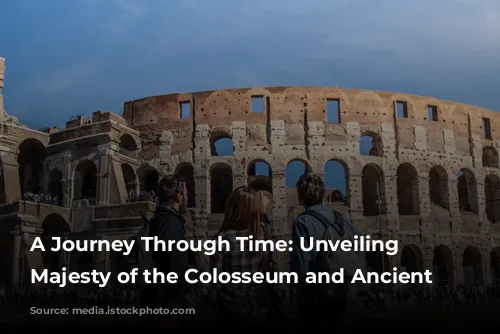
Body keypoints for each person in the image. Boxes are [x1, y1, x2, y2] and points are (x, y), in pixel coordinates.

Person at [290, 173, 349, 330]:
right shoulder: (341, 219)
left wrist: (299, 297)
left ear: (300, 198)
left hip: (315, 296)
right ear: (324, 195)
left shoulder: (302, 222)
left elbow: (302, 268)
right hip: (341, 293)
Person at [209, 186, 270, 328]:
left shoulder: (222, 238)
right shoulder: (261, 234)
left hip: (230, 309)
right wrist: (262, 208)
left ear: (232, 208)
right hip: (255, 305)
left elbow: (216, 280)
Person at [142, 174, 196, 329]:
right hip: (169, 304)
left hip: (160, 300)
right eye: (185, 194)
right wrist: (188, 300)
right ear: (178, 197)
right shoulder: (169, 222)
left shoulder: (161, 219)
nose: (187, 196)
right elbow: (174, 263)